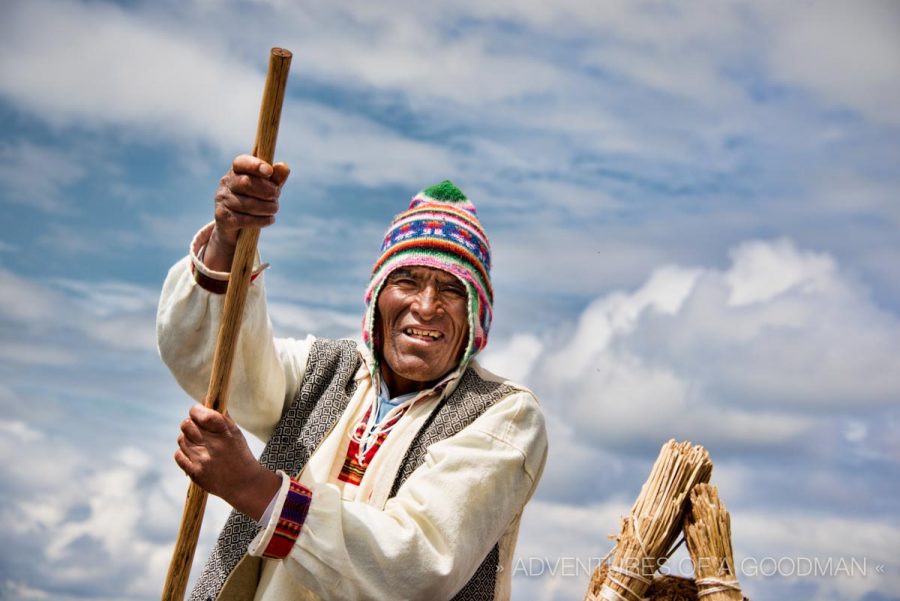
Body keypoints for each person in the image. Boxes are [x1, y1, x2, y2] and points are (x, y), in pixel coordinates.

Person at [157, 155, 548, 601]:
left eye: (452, 289)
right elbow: (213, 364)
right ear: (377, 298)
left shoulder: (504, 415)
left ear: (477, 315)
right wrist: (229, 240)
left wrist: (253, 488)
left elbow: (418, 567)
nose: (426, 306)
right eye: (406, 281)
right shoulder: (324, 372)